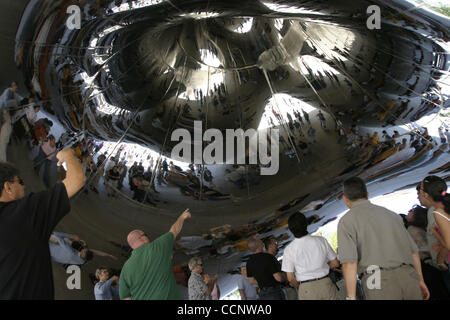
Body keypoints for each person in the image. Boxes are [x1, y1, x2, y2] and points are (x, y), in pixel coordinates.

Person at [0, 148, 85, 299]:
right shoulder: (25, 212)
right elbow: (77, 179)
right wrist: (68, 155)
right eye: (20, 181)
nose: (24, 186)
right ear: (8, 187)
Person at [337, 177, 429, 300]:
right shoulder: (392, 215)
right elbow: (413, 252)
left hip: (377, 281)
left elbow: (349, 263)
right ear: (367, 194)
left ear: (345, 198)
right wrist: (420, 280)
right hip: (408, 276)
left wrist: (351, 297)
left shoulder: (346, 222)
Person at [119, 209, 192, 300]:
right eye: (145, 234)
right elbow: (174, 230)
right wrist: (182, 217)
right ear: (142, 238)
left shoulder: (125, 269)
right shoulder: (157, 246)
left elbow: (125, 298)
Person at [282, 212, 340, 300]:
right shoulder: (321, 241)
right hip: (325, 284)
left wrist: (300, 286)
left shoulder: (289, 249)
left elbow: (290, 278)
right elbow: (335, 263)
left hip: (306, 288)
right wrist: (324, 267)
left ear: (290, 229)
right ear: (306, 224)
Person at [405, 205, 449, 299]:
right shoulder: (421, 228)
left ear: (416, 216)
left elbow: (422, 248)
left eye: (411, 211)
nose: (408, 211)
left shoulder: (412, 229)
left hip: (427, 263)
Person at [418, 176, 450, 250]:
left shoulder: (438, 212)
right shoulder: (445, 206)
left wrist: (434, 231)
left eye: (421, 190)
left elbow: (448, 245)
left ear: (426, 195)